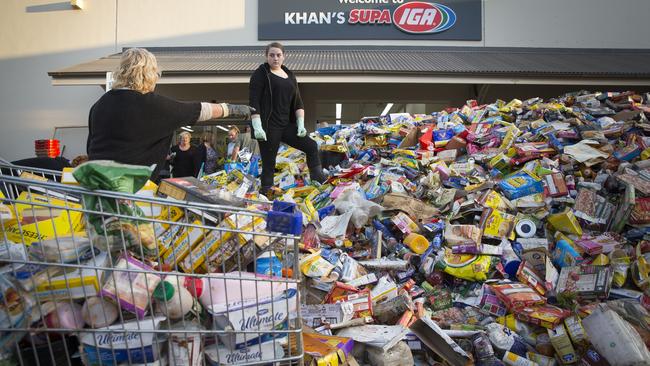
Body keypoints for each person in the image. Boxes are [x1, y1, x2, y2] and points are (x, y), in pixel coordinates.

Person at [86, 48, 254, 181]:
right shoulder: (152, 105)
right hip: (132, 189)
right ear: (150, 74)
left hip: (97, 183)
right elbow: (199, 110)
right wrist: (231, 109)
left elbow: (91, 145)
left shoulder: (99, 105)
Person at [249, 42, 327, 194]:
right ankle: (266, 193)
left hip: (286, 125)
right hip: (268, 126)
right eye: (271, 55)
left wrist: (300, 124)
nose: (275, 58)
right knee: (269, 163)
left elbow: (298, 101)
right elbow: (254, 101)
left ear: (284, 56)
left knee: (311, 146)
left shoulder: (290, 75)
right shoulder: (261, 74)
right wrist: (257, 125)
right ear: (266, 57)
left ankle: (318, 179)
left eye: (278, 55)